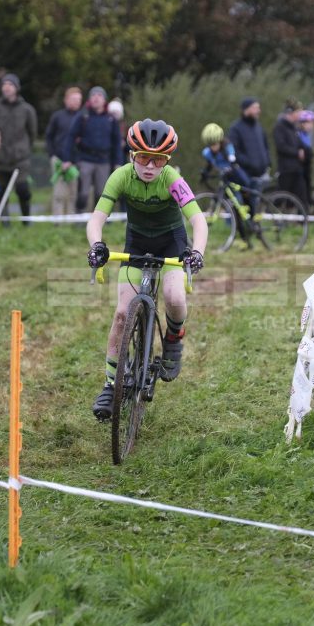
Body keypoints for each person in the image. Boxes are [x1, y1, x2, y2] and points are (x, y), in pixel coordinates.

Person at [85, 119, 208, 420]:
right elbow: (97, 218)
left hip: (171, 242)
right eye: (143, 158)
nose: (150, 166)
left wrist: (197, 252)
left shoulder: (173, 180)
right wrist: (96, 245)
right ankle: (111, 383)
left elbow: (198, 220)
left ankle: (174, 339)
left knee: (174, 296)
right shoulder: (121, 176)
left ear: (167, 161)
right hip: (137, 242)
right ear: (132, 155)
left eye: (158, 160)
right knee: (121, 314)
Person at [0, 73, 37, 224]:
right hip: (0, 159)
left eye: (10, 84)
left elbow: (32, 133)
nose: (6, 87)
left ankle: (26, 220)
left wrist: (23, 149)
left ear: (16, 88)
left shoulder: (27, 109)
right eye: (4, 84)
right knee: (1, 192)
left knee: (22, 189)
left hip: (20, 159)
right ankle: (4, 222)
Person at [64, 86, 122, 212]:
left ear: (104, 100)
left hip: (104, 161)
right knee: (83, 193)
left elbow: (117, 142)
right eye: (93, 95)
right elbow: (70, 137)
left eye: (99, 95)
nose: (96, 98)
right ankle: (80, 219)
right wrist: (67, 159)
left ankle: (99, 219)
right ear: (89, 99)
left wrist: (118, 162)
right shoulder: (83, 116)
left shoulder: (111, 119)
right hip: (85, 159)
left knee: (101, 194)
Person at [45, 86, 83, 216]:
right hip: (58, 160)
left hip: (75, 161)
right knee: (59, 193)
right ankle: (58, 220)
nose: (77, 102)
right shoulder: (57, 116)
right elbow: (49, 137)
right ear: (66, 100)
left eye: (79, 99)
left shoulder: (83, 117)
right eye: (74, 99)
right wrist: (52, 155)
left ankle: (71, 219)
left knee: (73, 193)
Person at [227, 96, 271, 190]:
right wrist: (249, 163)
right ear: (246, 110)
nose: (258, 111)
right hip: (247, 176)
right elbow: (233, 151)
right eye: (255, 108)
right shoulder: (235, 128)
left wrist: (267, 161)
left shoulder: (258, 127)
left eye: (258, 108)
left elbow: (266, 146)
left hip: (263, 175)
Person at [273, 98, 307, 207]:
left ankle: (300, 216)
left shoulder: (294, 128)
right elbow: (281, 147)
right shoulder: (280, 127)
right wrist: (297, 153)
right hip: (286, 169)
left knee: (301, 197)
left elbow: (300, 144)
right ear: (291, 113)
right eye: (298, 112)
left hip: (297, 168)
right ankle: (270, 213)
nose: (300, 115)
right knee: (280, 196)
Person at [297, 110, 314, 206]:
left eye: (312, 123)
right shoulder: (298, 134)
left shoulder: (308, 135)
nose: (311, 126)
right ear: (302, 123)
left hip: (307, 167)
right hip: (300, 167)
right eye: (309, 123)